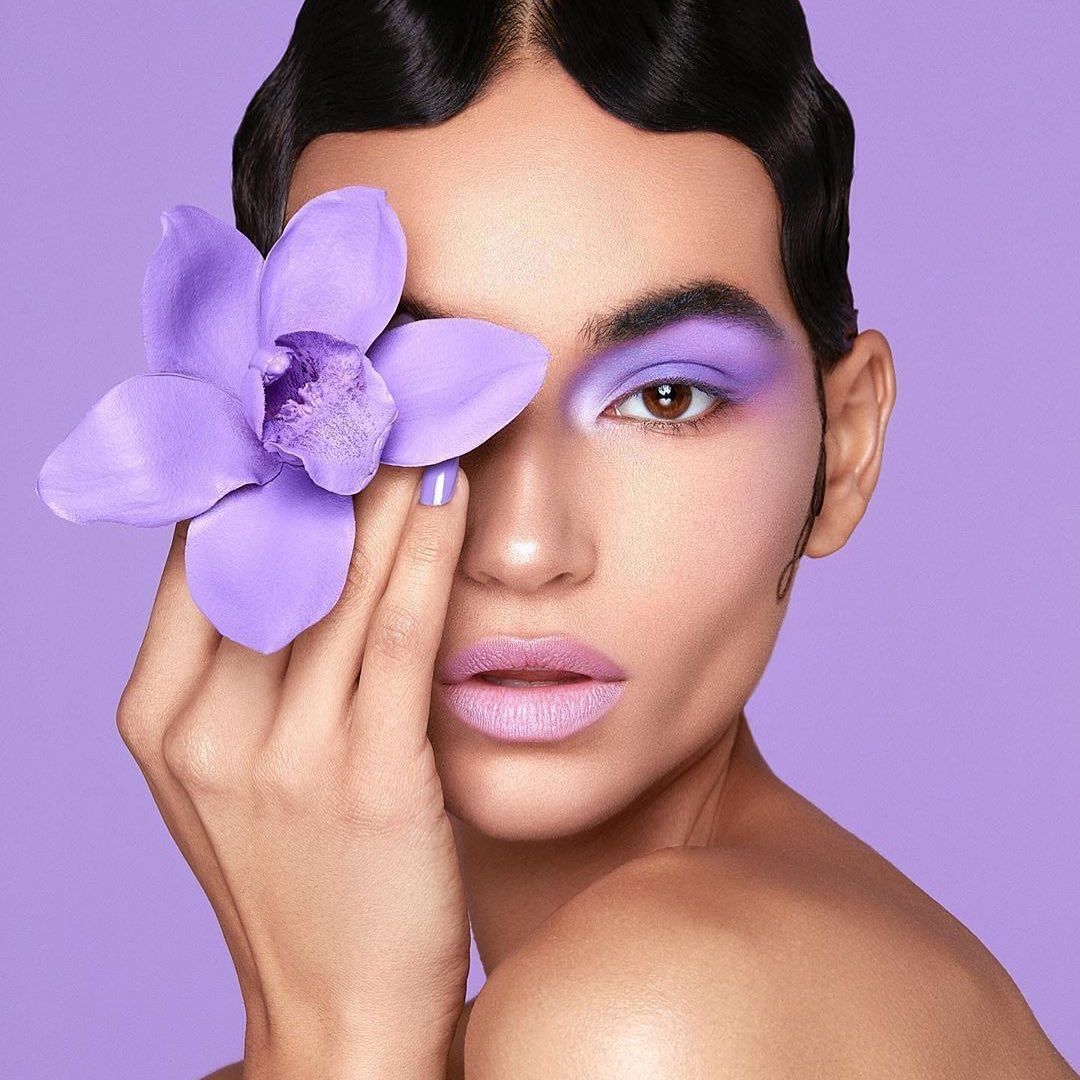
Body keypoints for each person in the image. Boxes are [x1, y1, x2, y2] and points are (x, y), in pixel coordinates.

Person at [115, 1, 1076, 1076]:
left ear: (843, 449)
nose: (524, 549)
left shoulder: (654, 1018)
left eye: (667, 396)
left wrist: (338, 1045)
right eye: (411, 394)